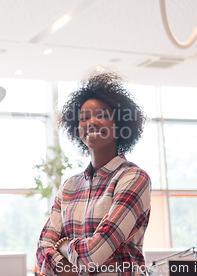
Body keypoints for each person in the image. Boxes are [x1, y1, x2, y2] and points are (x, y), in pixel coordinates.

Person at [36, 71, 151, 276]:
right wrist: (71, 269)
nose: (92, 122)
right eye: (84, 118)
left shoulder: (133, 179)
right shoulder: (69, 186)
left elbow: (94, 253)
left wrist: (63, 246)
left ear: (120, 125)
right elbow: (43, 250)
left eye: (102, 116)